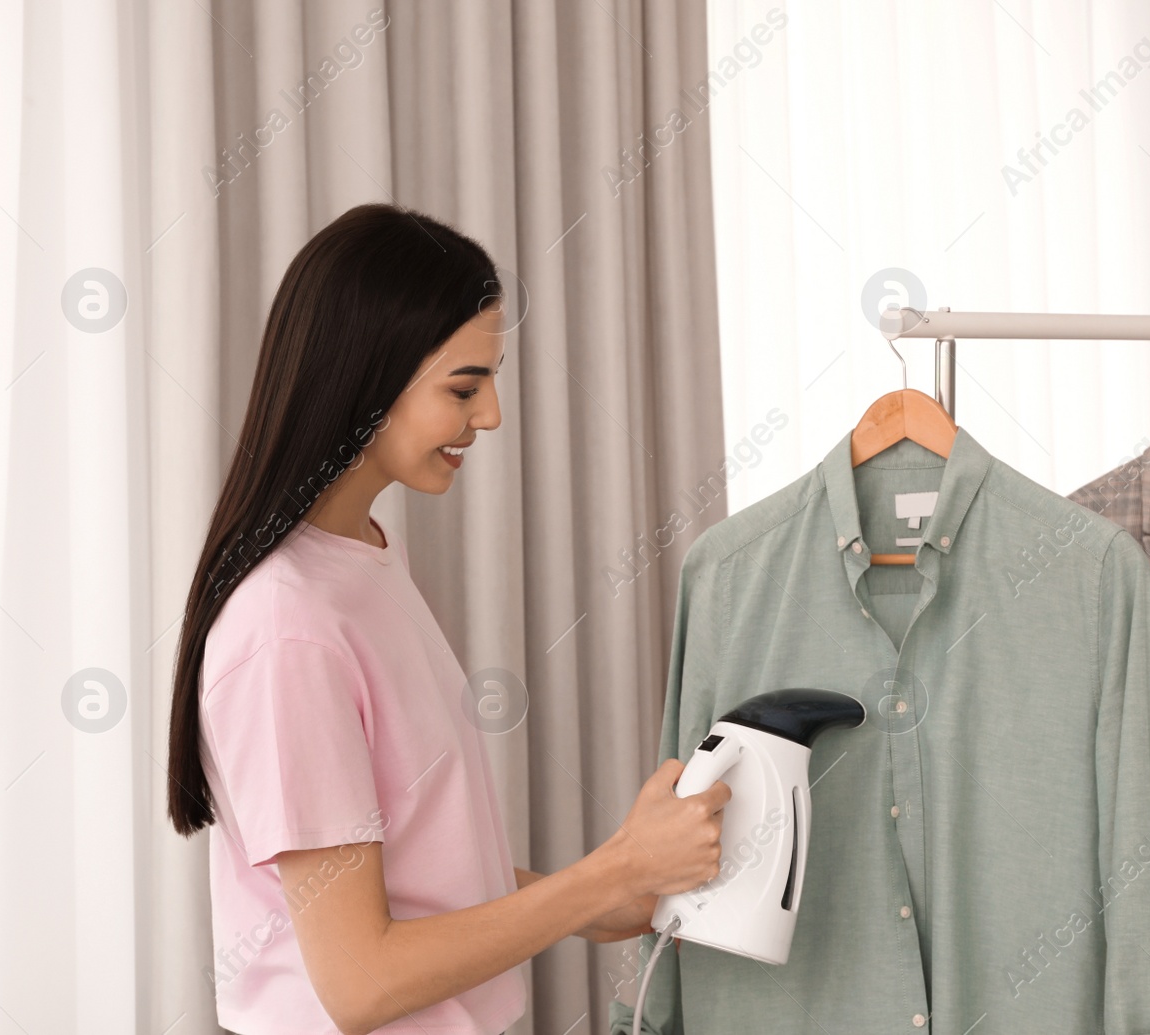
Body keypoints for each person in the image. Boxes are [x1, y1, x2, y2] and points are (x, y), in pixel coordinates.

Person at [165, 203, 730, 1035]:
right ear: (367, 377)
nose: (492, 415)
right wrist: (606, 874)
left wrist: (600, 893)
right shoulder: (286, 629)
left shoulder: (363, 559)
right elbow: (360, 982)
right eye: (464, 387)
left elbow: (412, 868)